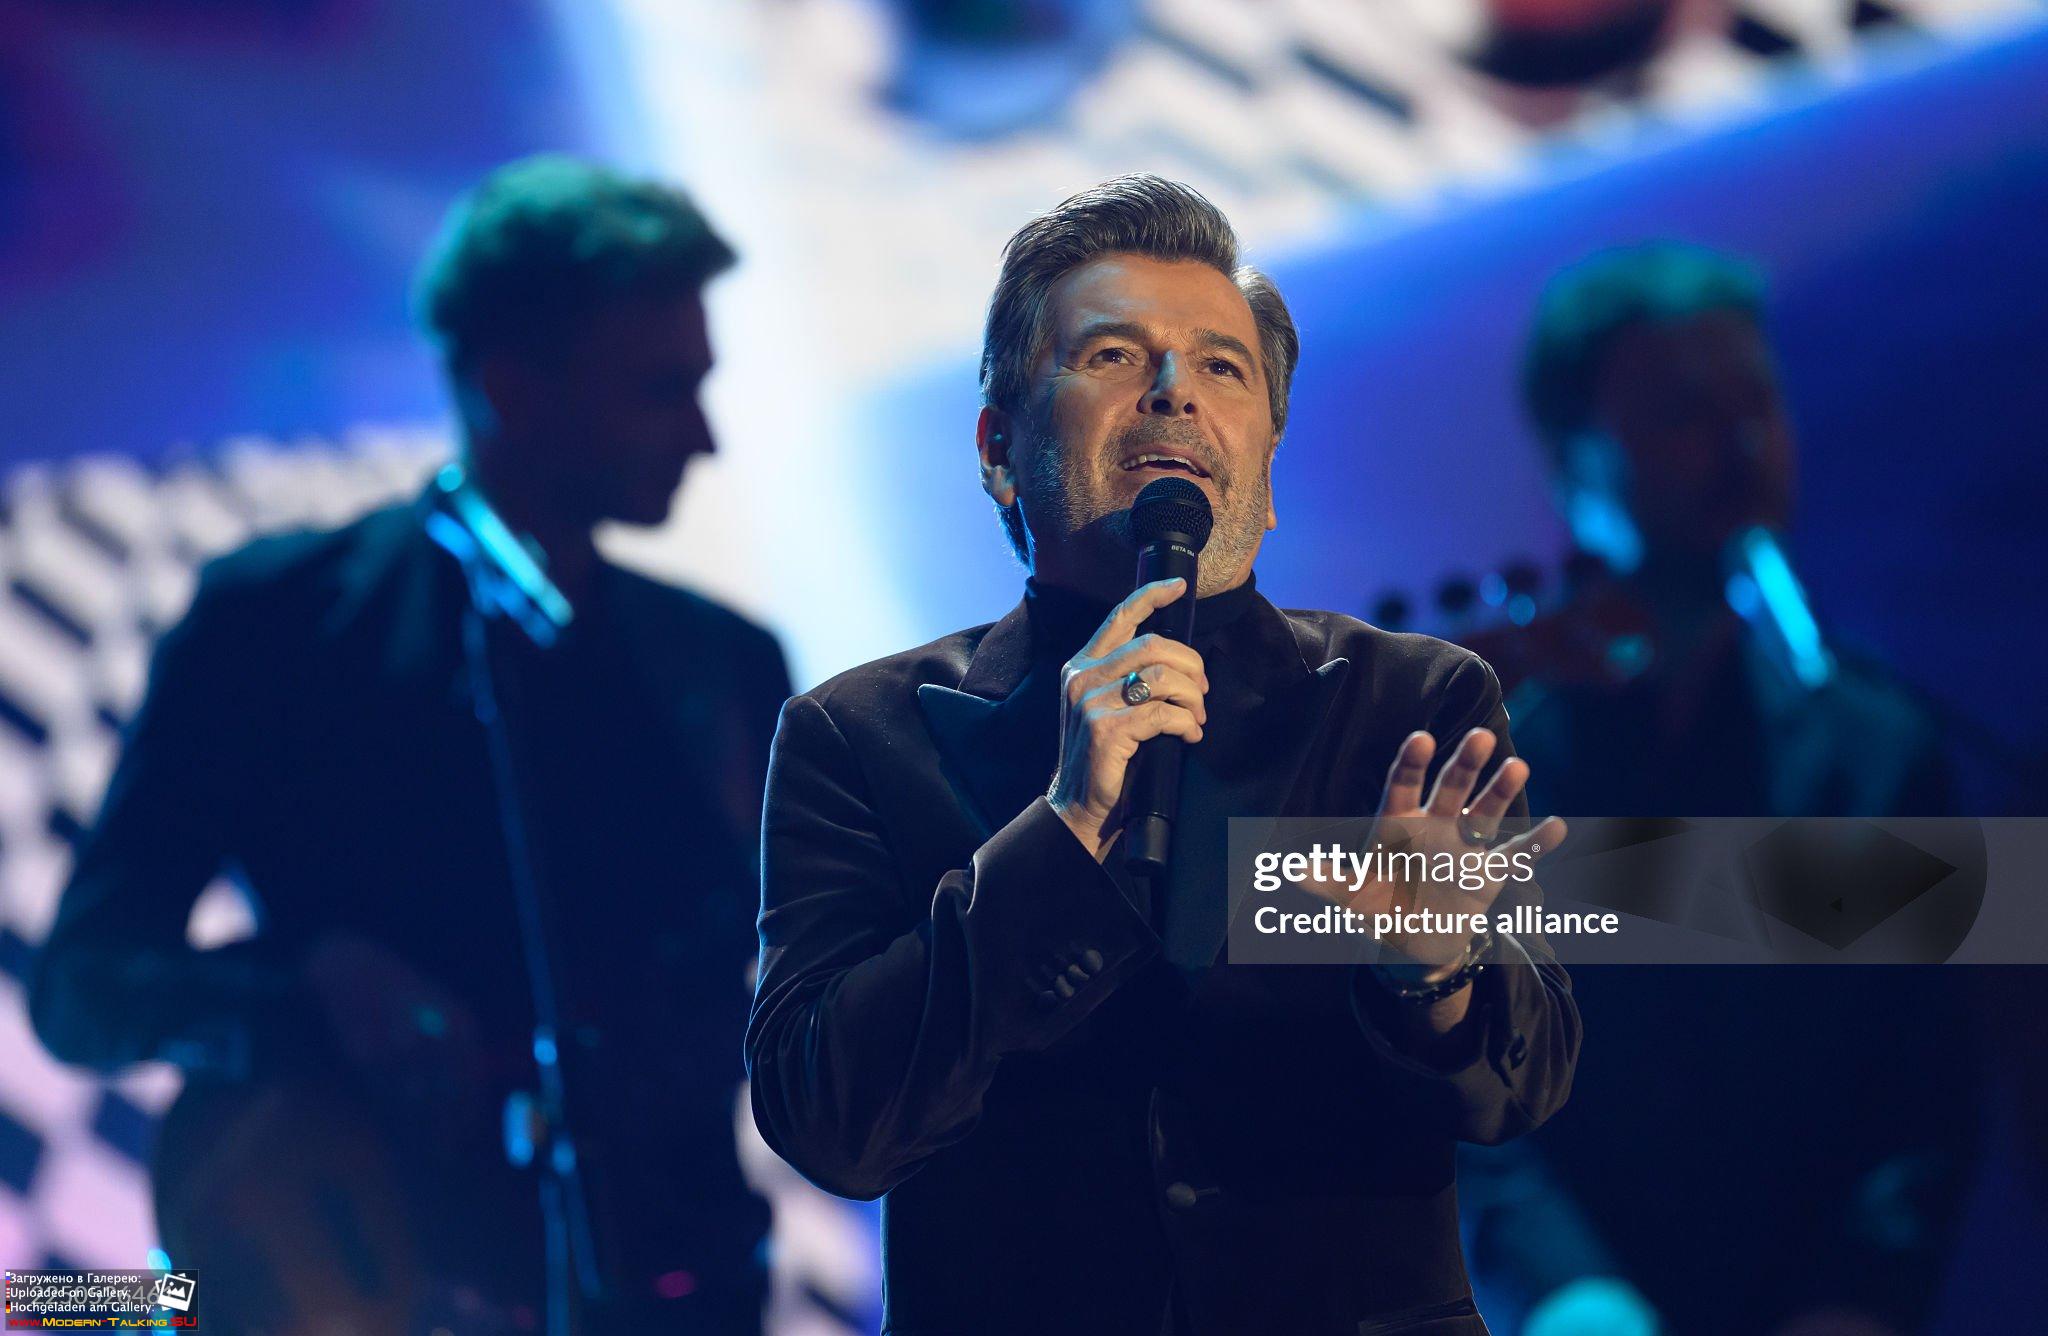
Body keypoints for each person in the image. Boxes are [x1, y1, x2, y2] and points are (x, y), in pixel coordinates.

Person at [745, 175, 1579, 1336]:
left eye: (1221, 367)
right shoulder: (858, 734)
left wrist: (1430, 970)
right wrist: (1063, 829)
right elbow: (829, 1121)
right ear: (999, 449)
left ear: (1266, 470)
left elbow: (1520, 1086)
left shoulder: (1409, 705)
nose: (1174, 390)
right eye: (1112, 356)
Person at [31, 156, 789, 1334]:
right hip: (365, 1289)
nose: (703, 435)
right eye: (660, 389)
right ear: (511, 387)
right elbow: (82, 990)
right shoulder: (275, 620)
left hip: (671, 1289)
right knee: (66, 1310)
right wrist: (306, 990)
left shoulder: (726, 664)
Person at [1472, 242, 1981, 1334]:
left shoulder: (1879, 749)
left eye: (1756, 400)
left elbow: (1919, 1086)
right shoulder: (1489, 759)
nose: (1742, 441)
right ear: (1573, 466)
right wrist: (1567, 1292)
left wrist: (1854, 1296)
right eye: (1683, 412)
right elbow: (1452, 1071)